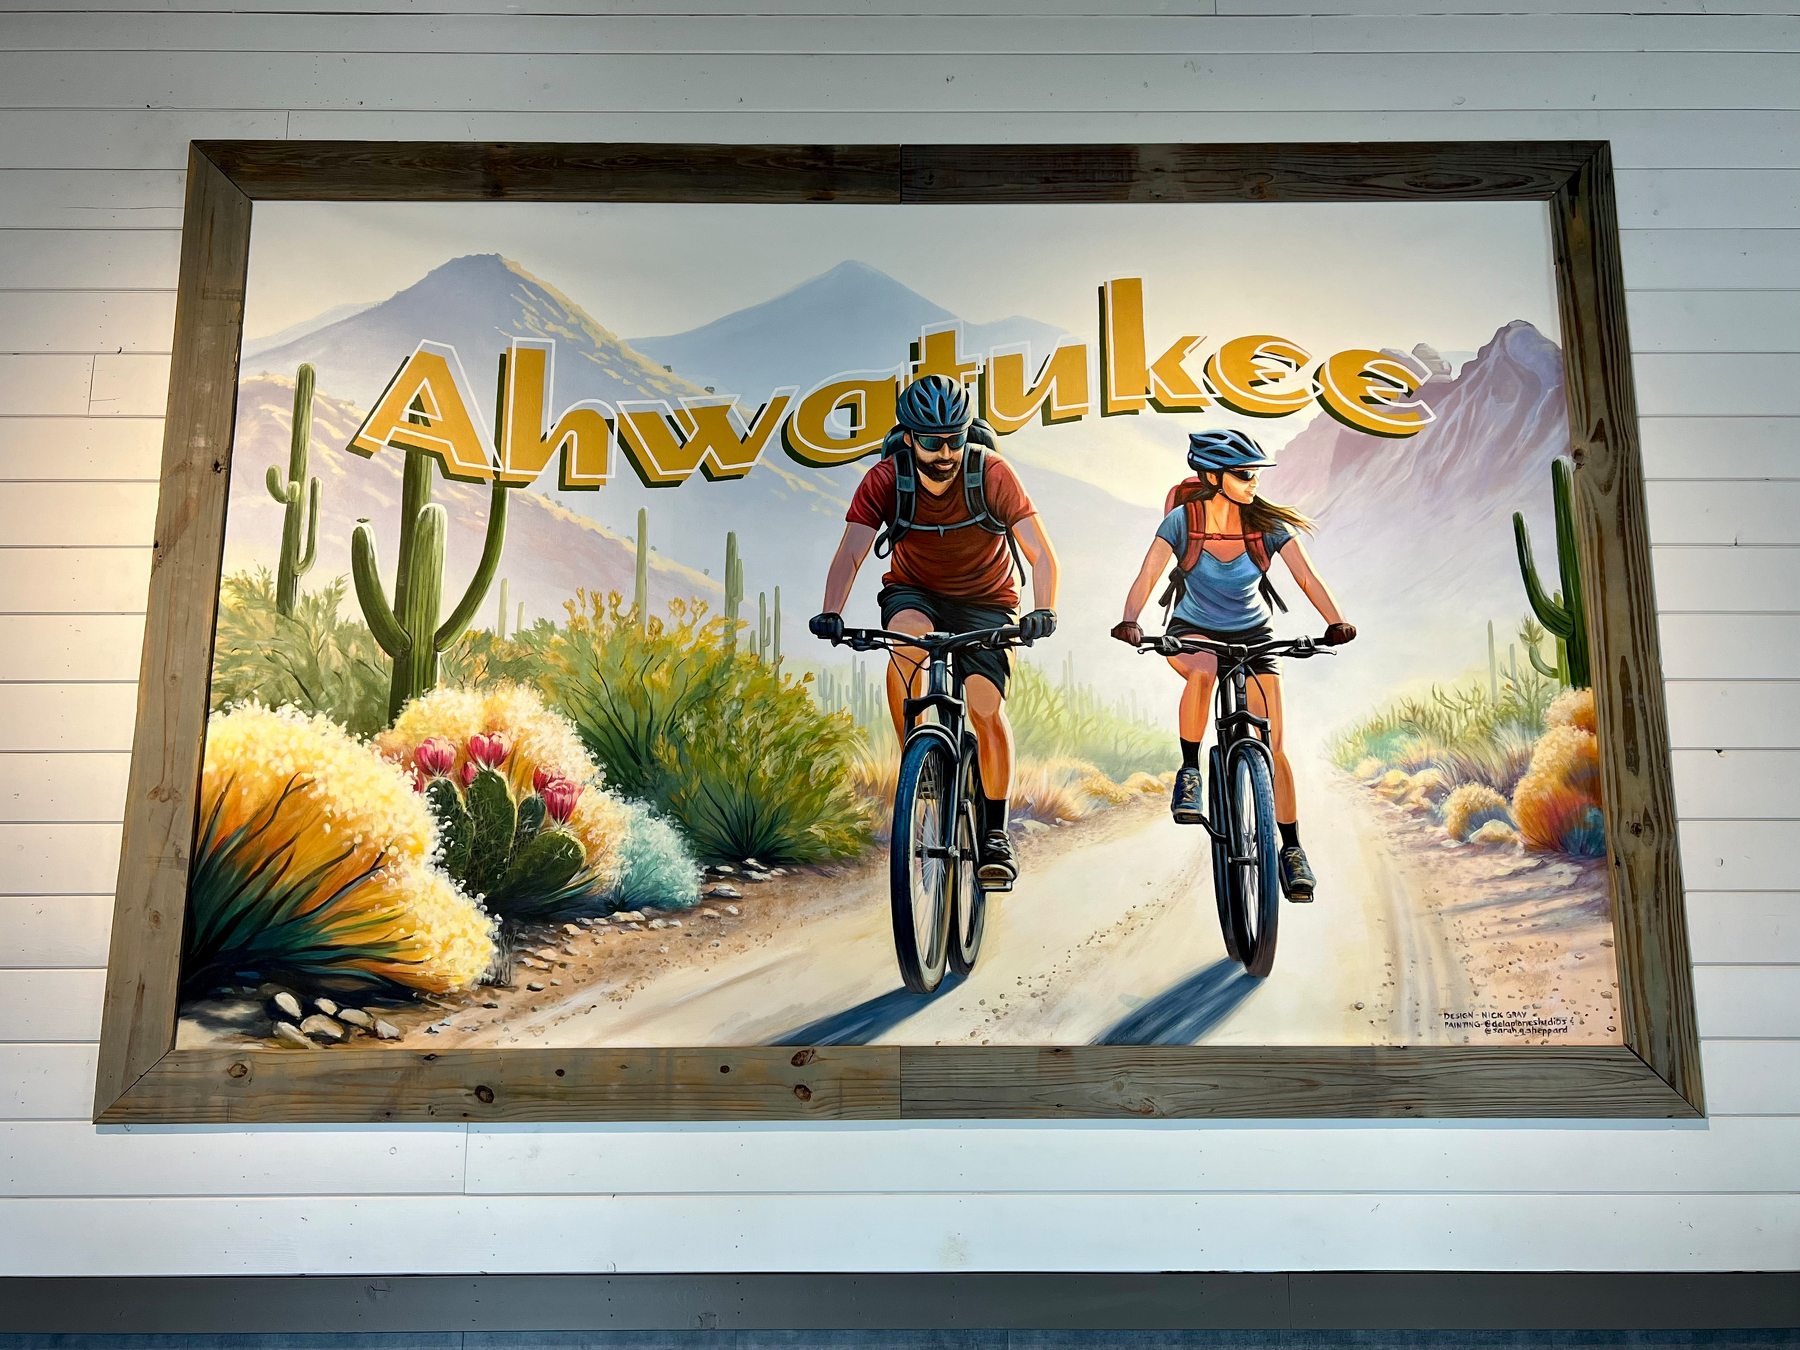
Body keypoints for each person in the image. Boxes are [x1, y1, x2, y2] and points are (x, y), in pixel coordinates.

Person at [811, 374, 1060, 887]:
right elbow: (852, 551)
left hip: (988, 602)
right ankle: (916, 770)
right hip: (914, 591)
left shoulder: (991, 472)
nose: (945, 452)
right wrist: (831, 610)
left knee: (986, 707)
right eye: (932, 441)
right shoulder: (885, 479)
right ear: (909, 439)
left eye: (955, 438)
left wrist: (1044, 609)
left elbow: (1039, 551)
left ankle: (994, 834)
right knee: (906, 643)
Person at [1111, 428, 1354, 902]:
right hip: (1193, 629)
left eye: (1255, 474)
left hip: (1252, 635)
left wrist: (1337, 622)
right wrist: (1130, 621)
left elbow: (1306, 576)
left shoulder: (1264, 525)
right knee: (1202, 670)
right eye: (1244, 474)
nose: (1253, 482)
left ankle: (1292, 849)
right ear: (1212, 476)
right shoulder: (1183, 522)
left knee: (1276, 746)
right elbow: (1148, 572)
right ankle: (1189, 772)